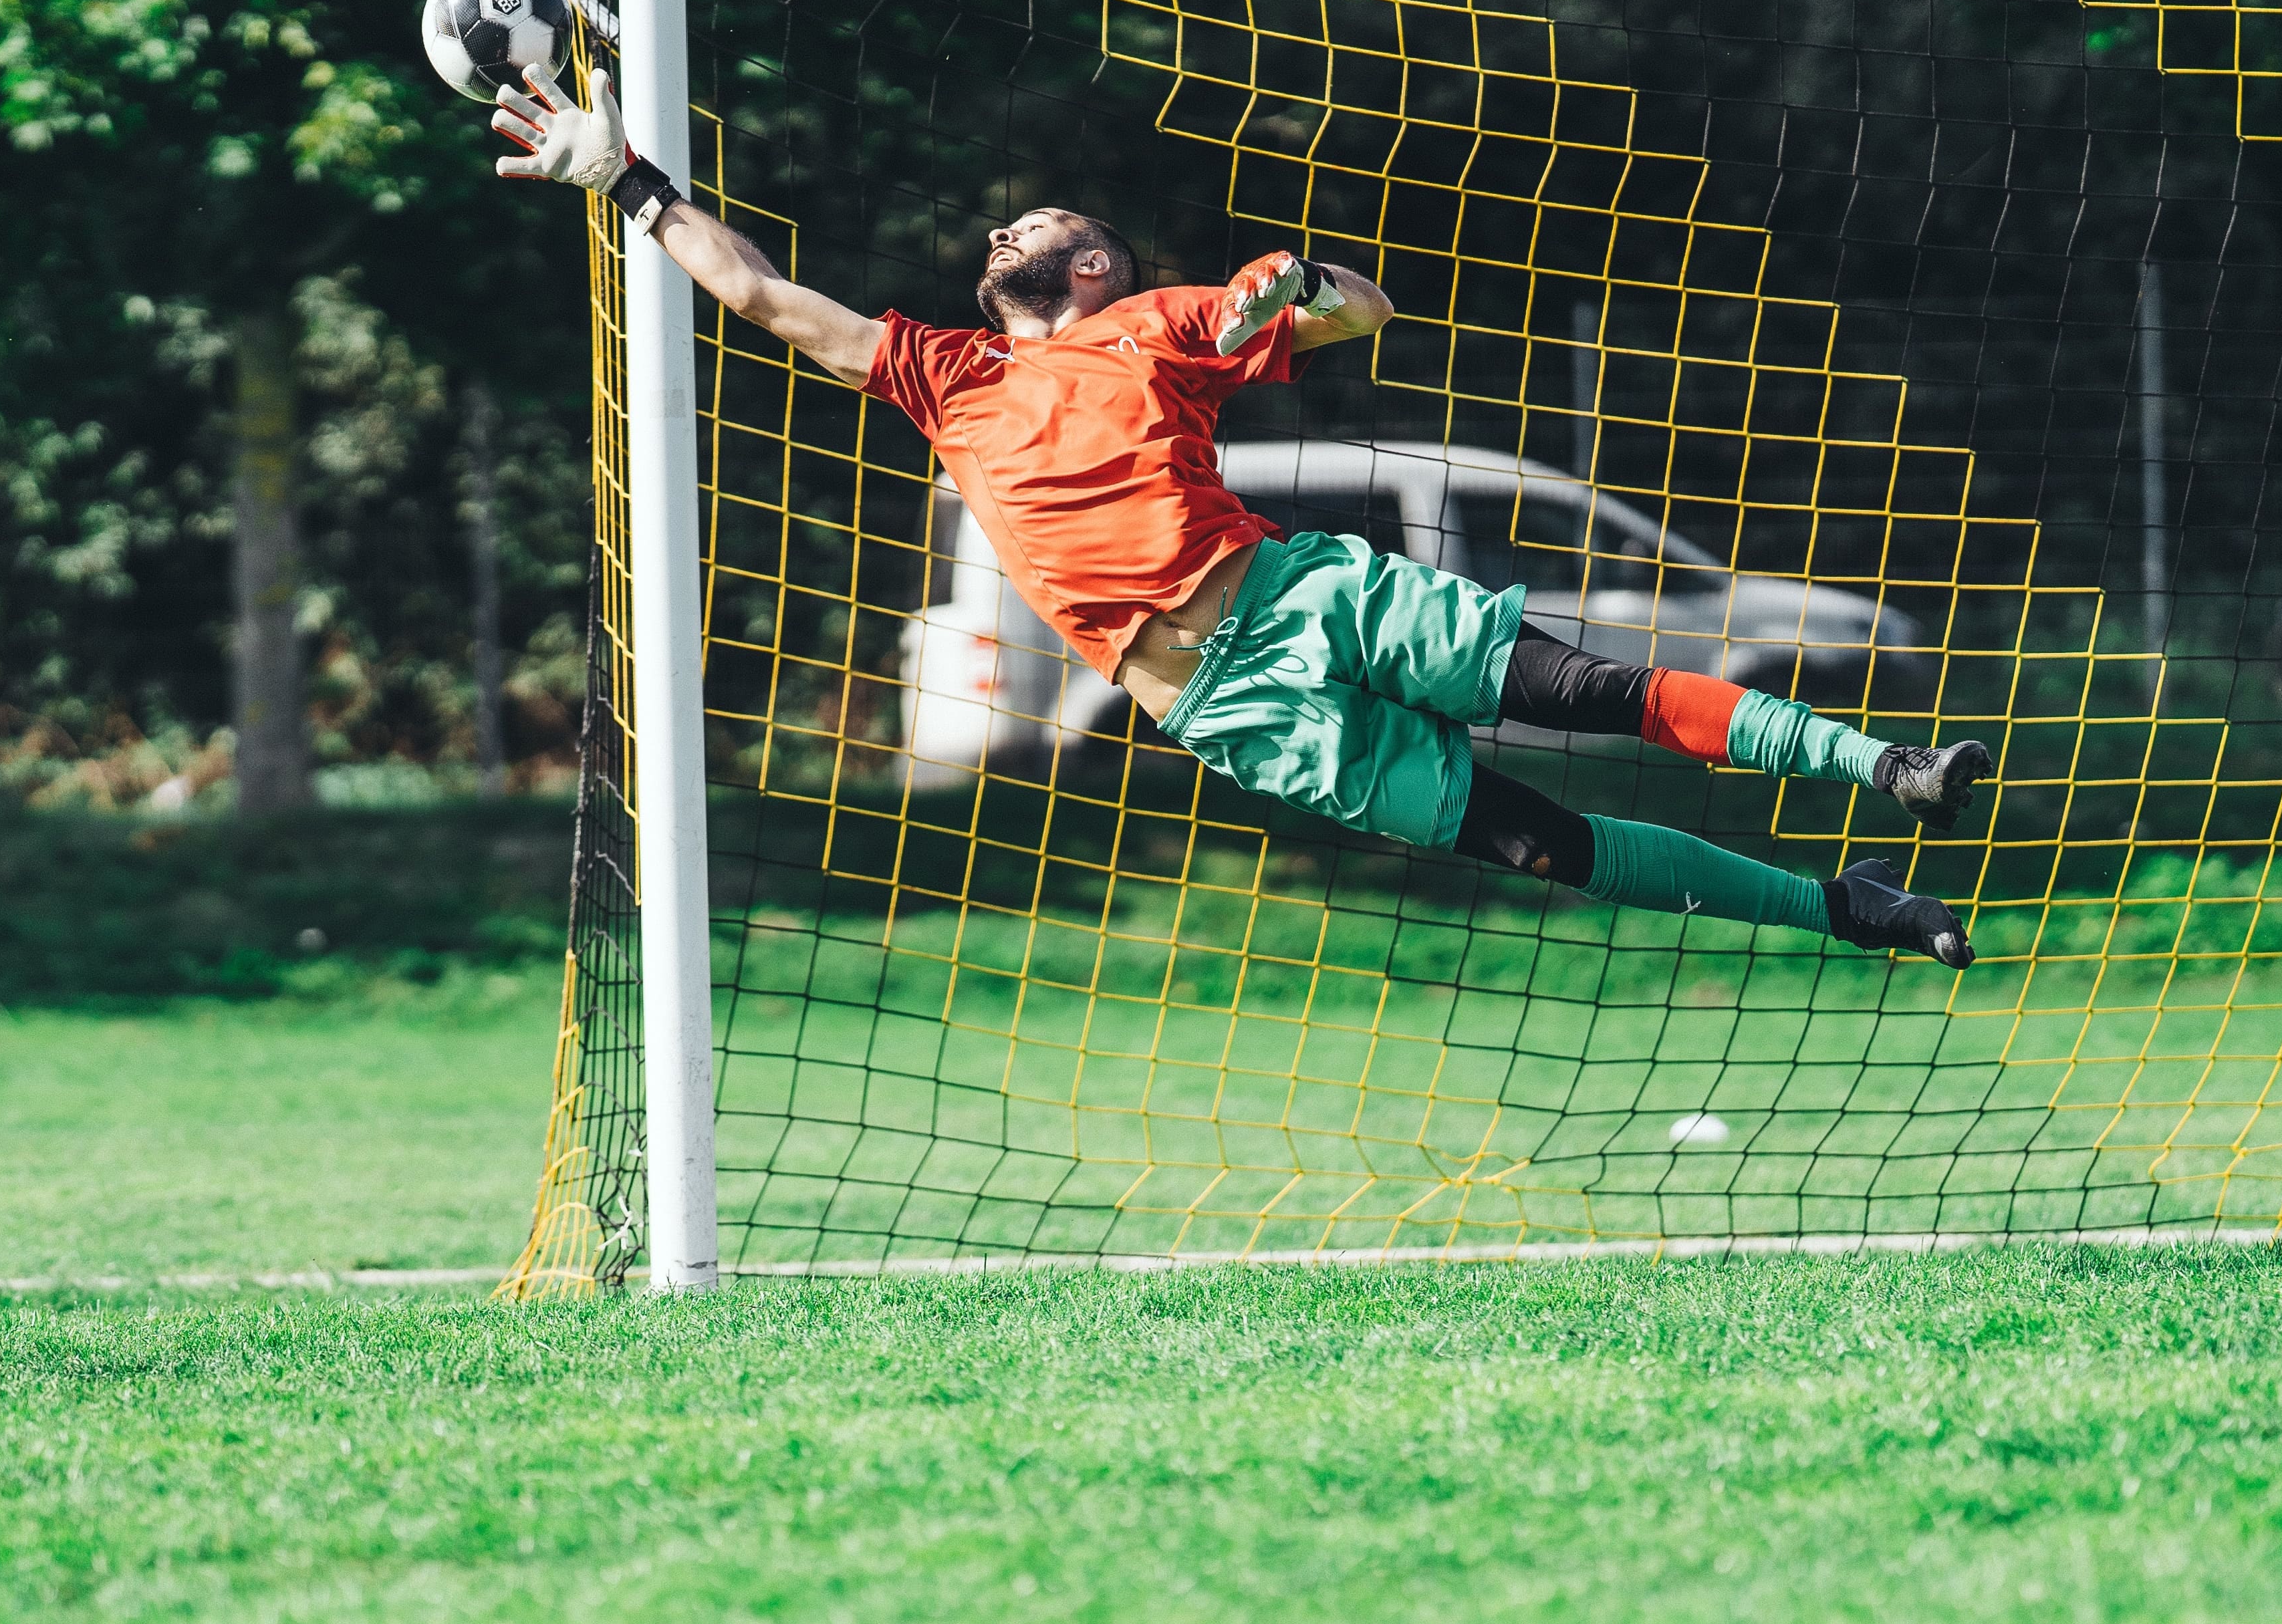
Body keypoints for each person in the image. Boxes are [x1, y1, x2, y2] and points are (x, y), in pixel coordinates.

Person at [492, 65, 1989, 964]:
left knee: (1593, 689)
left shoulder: (1152, 323)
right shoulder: (947, 377)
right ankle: (1847, 906)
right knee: (1548, 846)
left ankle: (1886, 765)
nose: (1006, 226)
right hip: (1225, 704)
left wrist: (1300, 285)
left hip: (1303, 594)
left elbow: (1358, 311)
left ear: (1092, 265)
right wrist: (621, 175)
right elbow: (762, 294)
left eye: (1039, 221)